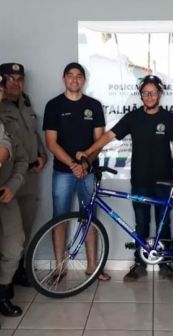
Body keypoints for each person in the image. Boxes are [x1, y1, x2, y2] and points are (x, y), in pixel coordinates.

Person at [76, 74, 173, 281]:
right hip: (140, 180)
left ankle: (166, 264)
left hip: (164, 180)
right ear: (141, 95)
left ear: (160, 94)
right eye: (145, 93)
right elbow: (109, 136)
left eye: (153, 92)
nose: (149, 96)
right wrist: (87, 151)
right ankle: (140, 262)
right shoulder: (133, 117)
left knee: (164, 223)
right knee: (141, 223)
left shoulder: (169, 118)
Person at [43, 62, 110, 281]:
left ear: (84, 80)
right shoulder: (53, 105)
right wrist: (73, 164)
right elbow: (51, 143)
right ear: (64, 79)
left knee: (89, 218)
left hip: (88, 172)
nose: (74, 79)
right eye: (70, 75)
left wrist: (85, 164)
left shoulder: (94, 105)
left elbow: (98, 142)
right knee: (59, 219)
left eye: (79, 76)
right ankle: (60, 267)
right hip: (63, 172)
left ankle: (92, 267)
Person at [0, 63, 47, 287]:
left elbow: (33, 133)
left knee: (25, 229)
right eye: (11, 78)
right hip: (7, 180)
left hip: (29, 175)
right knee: (10, 235)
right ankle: (4, 285)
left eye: (20, 79)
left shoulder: (25, 102)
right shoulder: (0, 106)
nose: (16, 83)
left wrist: (42, 154)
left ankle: (17, 272)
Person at [0, 73, 28, 317]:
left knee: (14, 243)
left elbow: (20, 158)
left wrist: (11, 186)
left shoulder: (10, 117)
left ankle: (3, 292)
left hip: (5, 192)